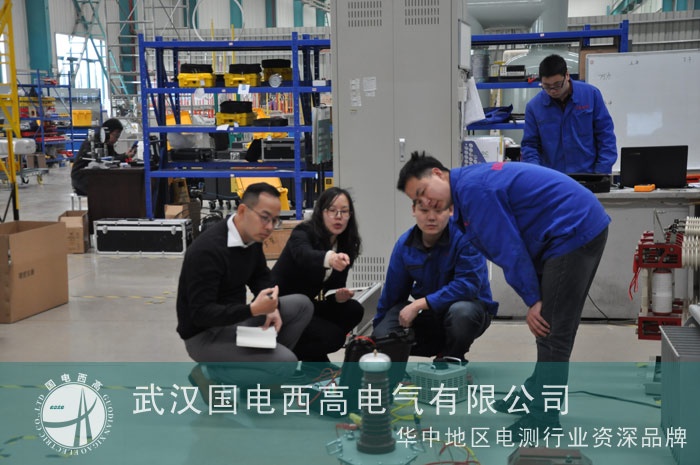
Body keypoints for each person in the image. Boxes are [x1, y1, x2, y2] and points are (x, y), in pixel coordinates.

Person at [397, 152, 609, 435]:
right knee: (548, 326)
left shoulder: (473, 192)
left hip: (573, 228)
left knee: (553, 331)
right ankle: (533, 393)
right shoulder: (462, 195)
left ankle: (543, 420)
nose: (426, 203)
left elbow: (509, 250)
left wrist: (533, 299)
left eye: (424, 191)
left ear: (437, 173)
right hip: (558, 232)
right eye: (417, 200)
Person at [176, 182, 313, 402]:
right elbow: (201, 314)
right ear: (242, 211)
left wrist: (271, 305)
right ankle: (209, 373)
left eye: (274, 220)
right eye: (265, 217)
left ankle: (261, 377)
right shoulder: (207, 251)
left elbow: (260, 276)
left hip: (234, 322)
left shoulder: (252, 237)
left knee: (301, 305)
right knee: (286, 363)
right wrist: (253, 310)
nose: (269, 227)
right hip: (205, 336)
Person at [372, 201, 497, 363]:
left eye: (438, 211)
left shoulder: (467, 238)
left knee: (462, 312)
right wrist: (377, 337)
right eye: (424, 210)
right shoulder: (405, 245)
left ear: (450, 210)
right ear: (414, 210)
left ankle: (452, 358)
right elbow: (392, 295)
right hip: (431, 315)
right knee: (384, 334)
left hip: (469, 312)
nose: (431, 217)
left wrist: (419, 304)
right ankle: (401, 363)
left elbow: (467, 286)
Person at [271, 187, 363, 374]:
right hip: (283, 306)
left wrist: (338, 297)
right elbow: (304, 255)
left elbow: (331, 289)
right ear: (321, 212)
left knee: (353, 310)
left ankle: (313, 361)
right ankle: (282, 356)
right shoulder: (304, 232)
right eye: (332, 210)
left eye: (344, 211)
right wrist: (329, 258)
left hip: (310, 304)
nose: (338, 217)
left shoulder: (346, 243)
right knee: (333, 337)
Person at [520, 54, 617, 174]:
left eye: (557, 85)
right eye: (546, 86)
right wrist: (537, 174)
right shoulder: (534, 107)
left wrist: (601, 173)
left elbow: (605, 135)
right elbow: (530, 146)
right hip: (553, 177)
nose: (552, 91)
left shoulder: (591, 95)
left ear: (567, 75)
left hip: (588, 175)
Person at [71, 118, 137, 195]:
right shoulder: (92, 143)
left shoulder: (107, 143)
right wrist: (124, 156)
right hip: (82, 179)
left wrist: (126, 156)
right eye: (116, 136)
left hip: (96, 176)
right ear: (107, 132)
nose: (116, 140)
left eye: (118, 137)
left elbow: (113, 158)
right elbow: (105, 161)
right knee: (113, 188)